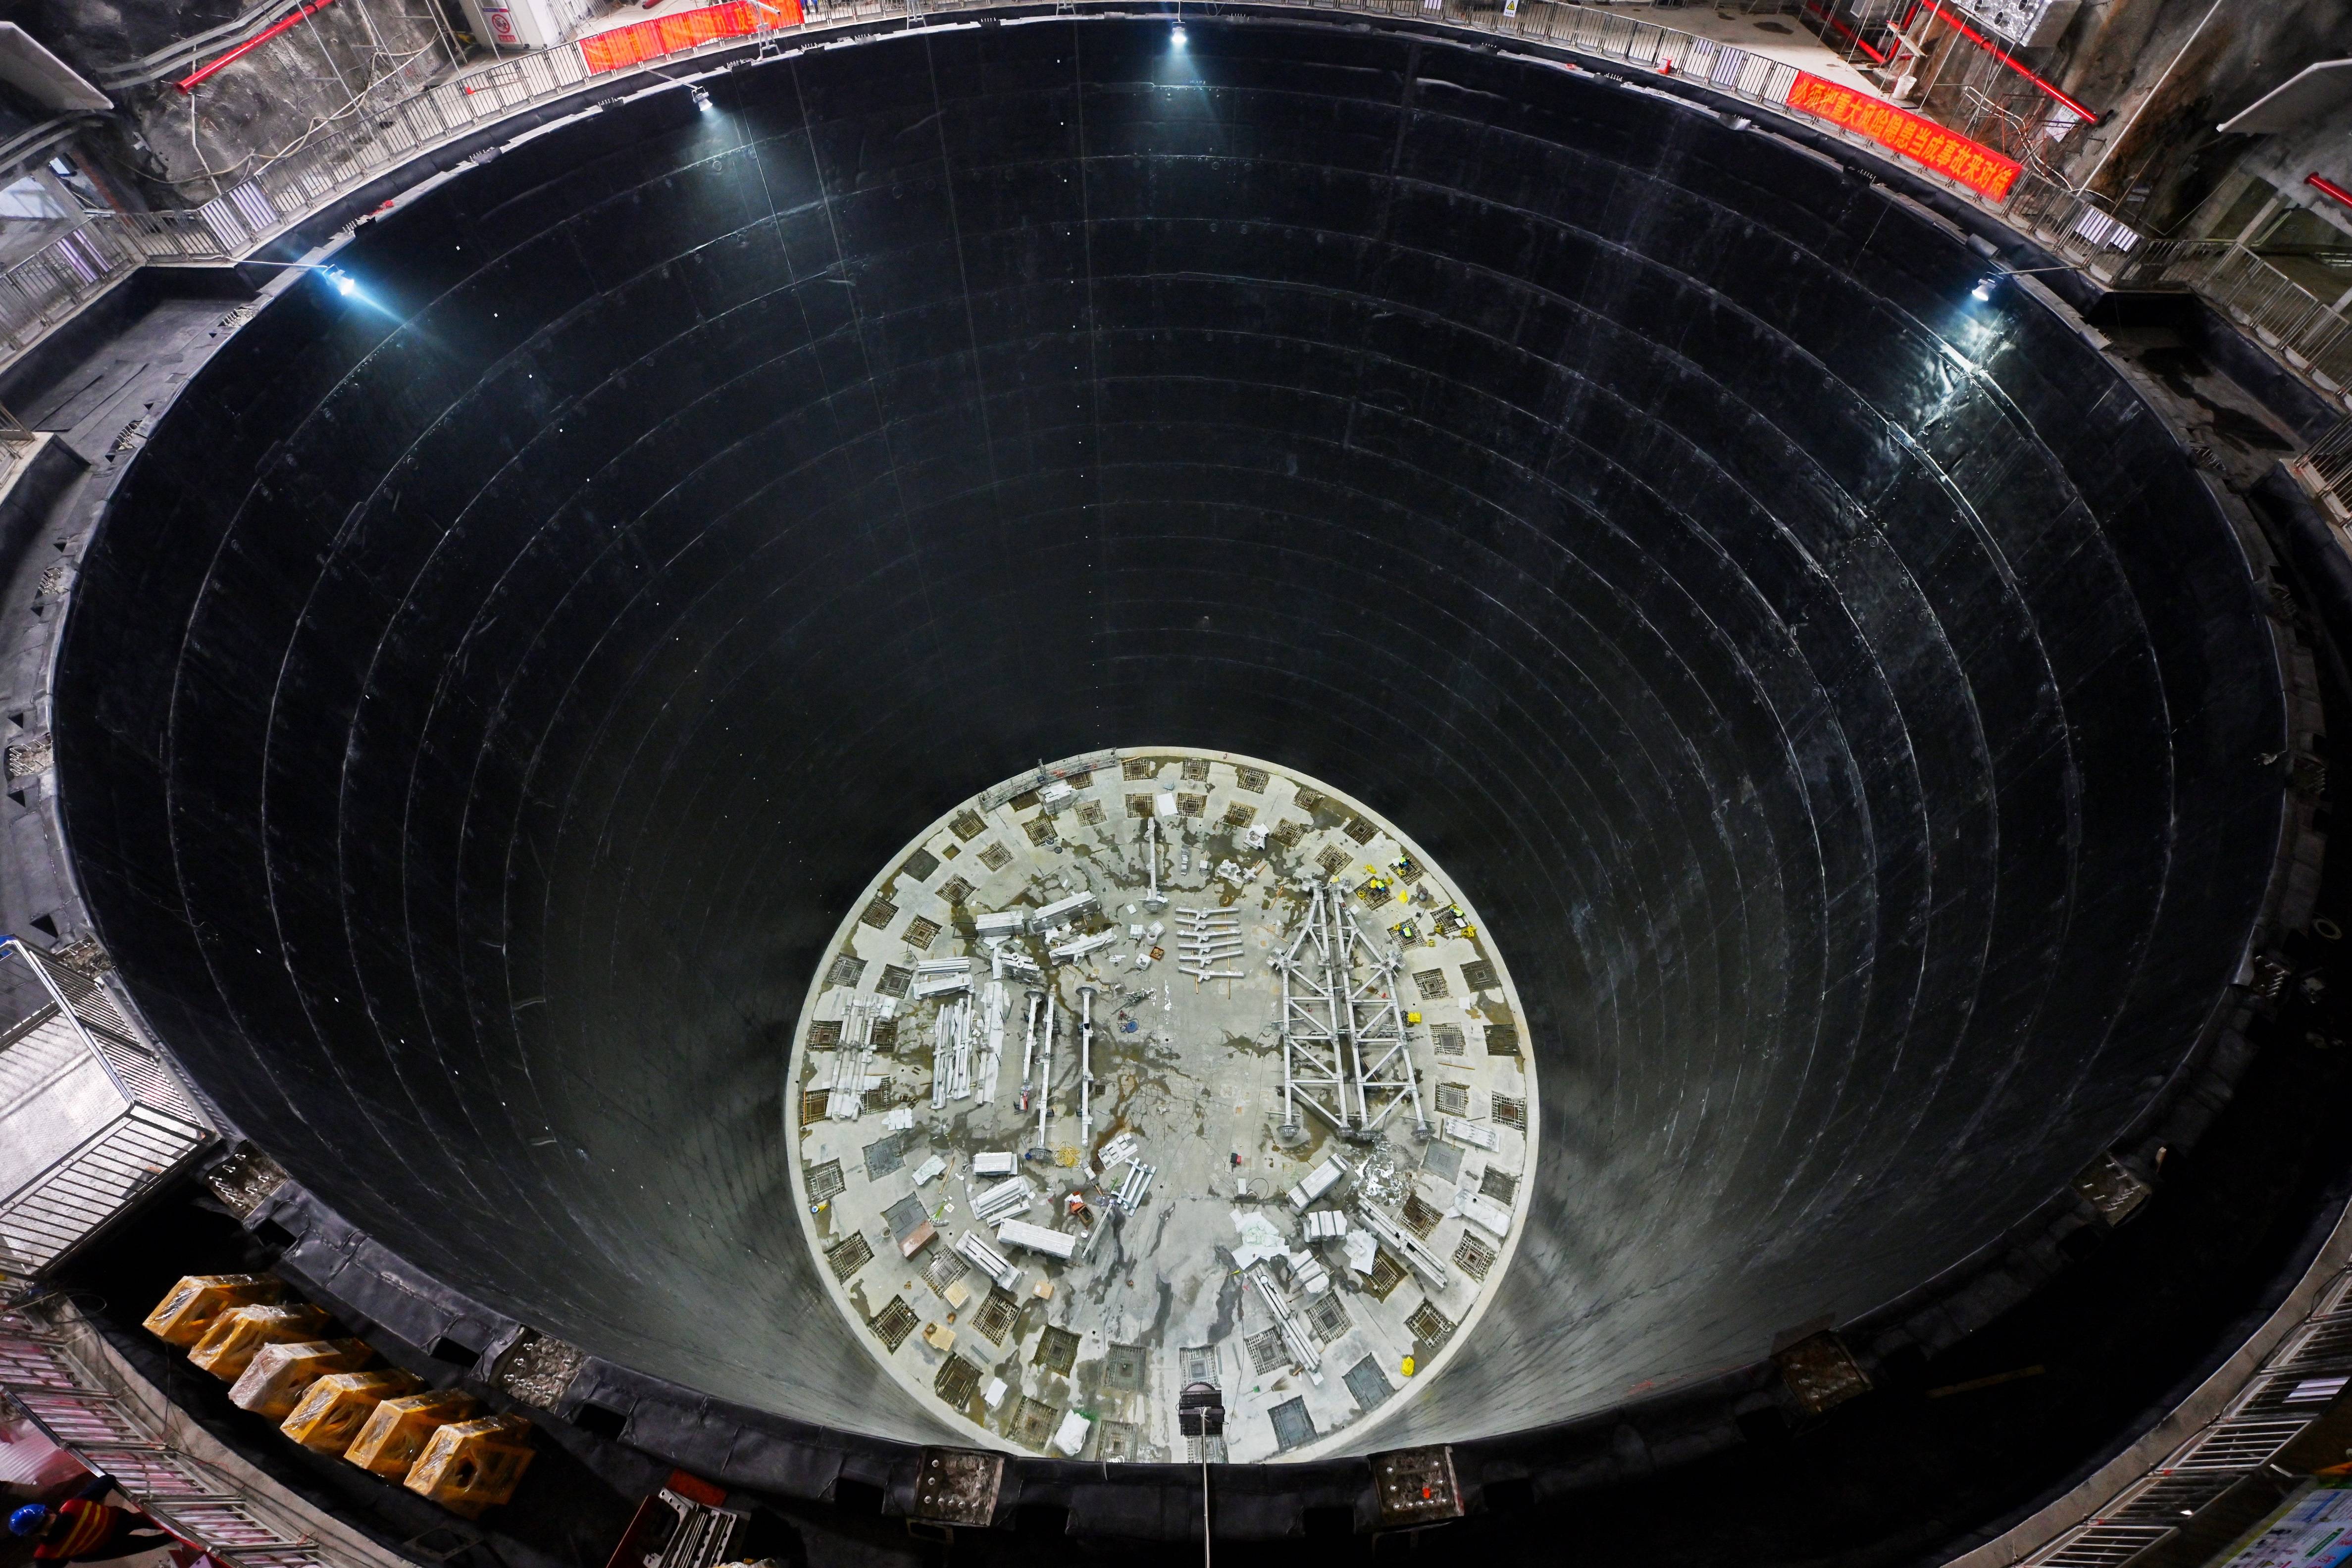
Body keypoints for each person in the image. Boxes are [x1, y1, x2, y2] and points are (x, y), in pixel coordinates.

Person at [7, 1475, 175, 1564]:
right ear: (47, 1511)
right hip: (120, 1522)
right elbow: (108, 1480)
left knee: (78, 1557)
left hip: (108, 1548)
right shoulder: (74, 1506)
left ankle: (172, 1537)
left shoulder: (46, 1555)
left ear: (32, 1535)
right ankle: (172, 1522)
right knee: (145, 1520)